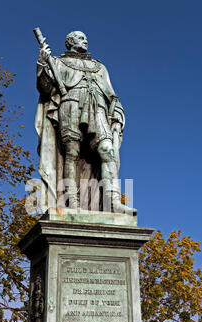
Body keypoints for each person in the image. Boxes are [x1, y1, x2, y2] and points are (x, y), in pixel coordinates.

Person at [35, 30, 132, 214]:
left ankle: (113, 201)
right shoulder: (57, 62)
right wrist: (42, 62)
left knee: (107, 151)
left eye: (86, 38)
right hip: (70, 105)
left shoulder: (99, 67)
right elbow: (46, 89)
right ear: (69, 41)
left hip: (99, 109)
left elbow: (111, 95)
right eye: (80, 37)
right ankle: (72, 201)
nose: (85, 40)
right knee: (71, 153)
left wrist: (118, 112)